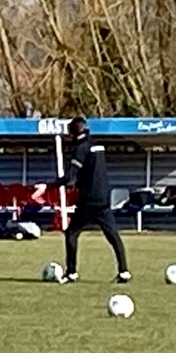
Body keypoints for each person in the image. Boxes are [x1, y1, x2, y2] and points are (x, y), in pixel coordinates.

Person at [35, 116, 130, 284]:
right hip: (103, 198)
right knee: (112, 235)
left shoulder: (81, 149)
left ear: (73, 133)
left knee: (71, 233)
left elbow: (70, 177)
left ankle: (71, 273)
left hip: (88, 200)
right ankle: (124, 271)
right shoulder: (97, 146)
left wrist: (47, 186)